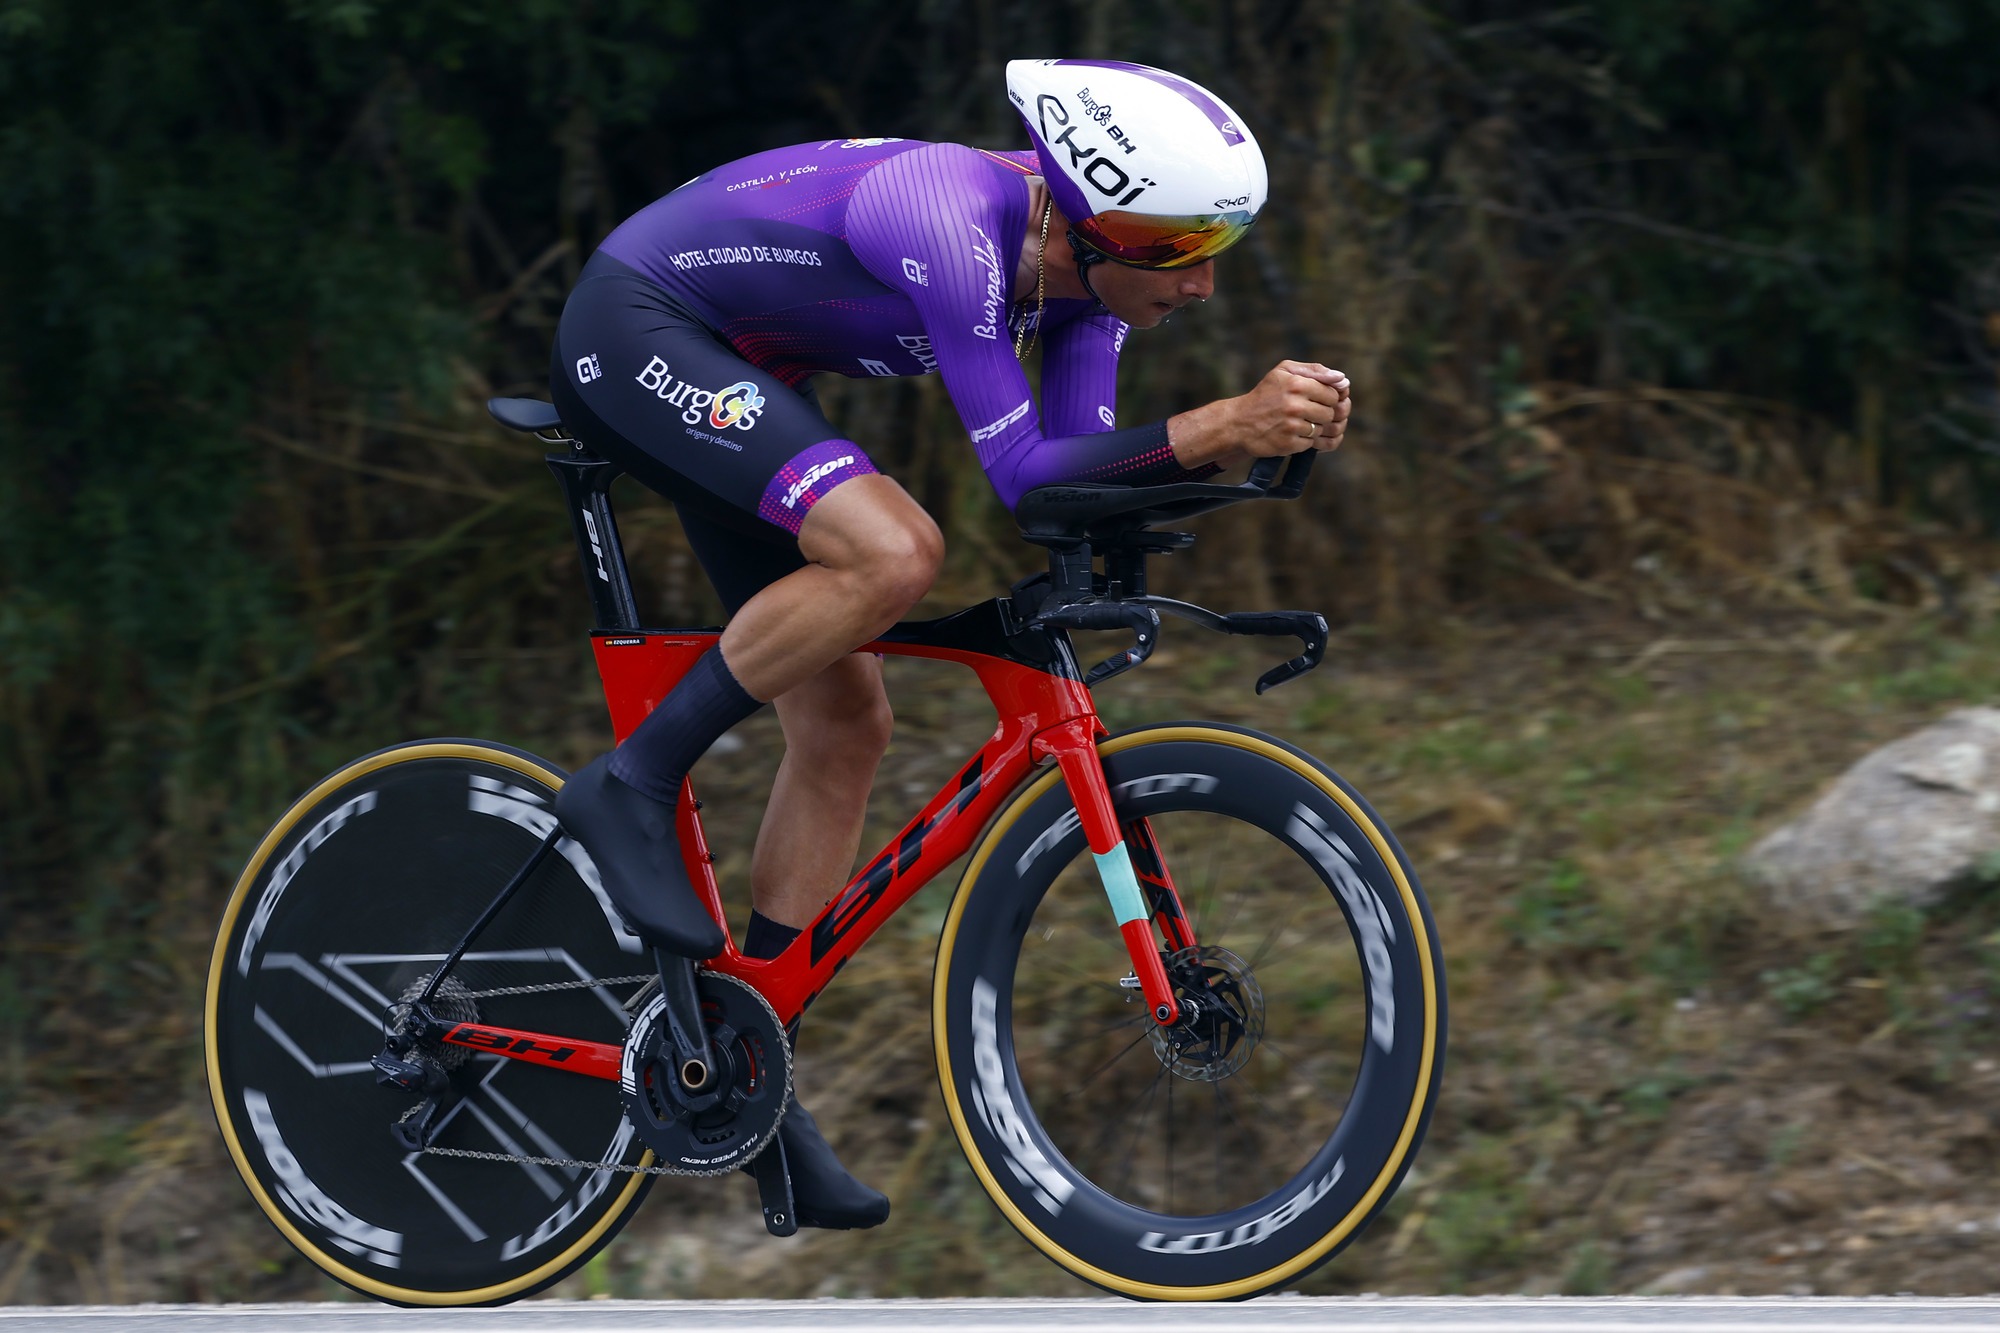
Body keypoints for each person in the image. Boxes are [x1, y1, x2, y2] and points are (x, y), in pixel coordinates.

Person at [547, 58, 1350, 1231]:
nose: (1206, 287)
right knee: (890, 553)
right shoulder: (945, 216)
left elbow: (1081, 479)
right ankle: (630, 781)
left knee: (844, 723)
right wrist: (1224, 422)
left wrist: (1230, 464)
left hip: (744, 369)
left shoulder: (1082, 284)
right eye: (1179, 251)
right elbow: (1024, 480)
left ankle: (750, 1065)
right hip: (638, 327)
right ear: (1089, 221)